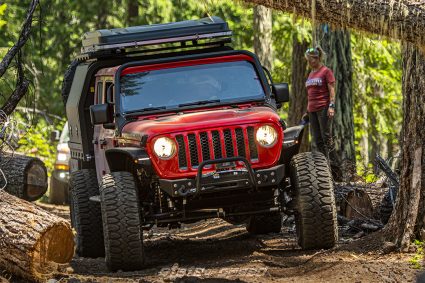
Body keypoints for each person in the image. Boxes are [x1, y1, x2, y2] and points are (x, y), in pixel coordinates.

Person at [303, 46, 336, 162]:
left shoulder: (326, 71)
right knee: (317, 139)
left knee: (326, 137)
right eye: (309, 60)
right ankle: (324, 164)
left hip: (323, 108)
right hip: (312, 110)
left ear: (317, 58)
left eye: (312, 59)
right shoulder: (311, 74)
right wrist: (307, 112)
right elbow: (310, 94)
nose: (310, 62)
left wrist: (331, 106)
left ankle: (335, 166)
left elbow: (332, 90)